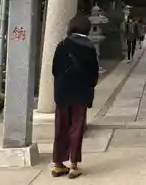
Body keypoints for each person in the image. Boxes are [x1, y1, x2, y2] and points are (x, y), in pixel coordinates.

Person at [51, 13, 99, 179]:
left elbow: (54, 70)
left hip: (62, 93)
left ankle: (58, 164)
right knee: (76, 128)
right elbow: (93, 74)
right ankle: (73, 165)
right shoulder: (89, 47)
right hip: (80, 93)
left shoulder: (62, 45)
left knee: (61, 127)